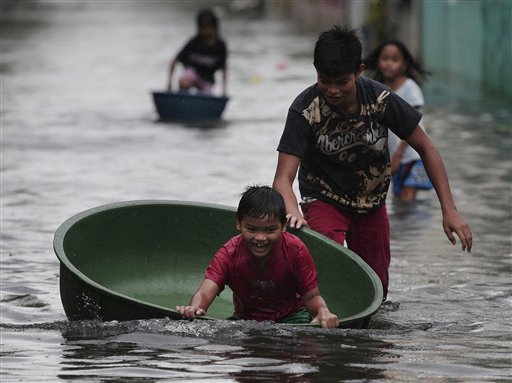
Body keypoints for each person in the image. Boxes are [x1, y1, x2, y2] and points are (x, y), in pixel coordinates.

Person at [272, 25, 472, 300]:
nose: (332, 89)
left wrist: (449, 209)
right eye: (324, 79)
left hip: (372, 203)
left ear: (359, 71)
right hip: (323, 199)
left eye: (341, 81)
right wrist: (292, 209)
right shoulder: (305, 109)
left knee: (376, 289)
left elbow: (426, 147)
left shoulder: (381, 100)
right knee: (325, 273)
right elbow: (283, 178)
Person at [176, 185, 339, 329]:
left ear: (283, 226)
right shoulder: (229, 253)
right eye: (252, 229)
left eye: (269, 230)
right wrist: (194, 308)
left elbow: (312, 296)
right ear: (239, 224)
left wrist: (323, 311)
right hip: (245, 320)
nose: (260, 238)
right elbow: (205, 292)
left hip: (292, 318)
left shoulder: (295, 250)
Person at [364, 39, 432, 201]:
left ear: (404, 64)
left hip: (413, 155)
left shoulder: (410, 88)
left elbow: (412, 126)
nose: (389, 64)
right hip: (394, 157)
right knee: (399, 199)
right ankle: (405, 227)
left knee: (408, 199)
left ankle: (413, 227)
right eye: (385, 58)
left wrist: (397, 156)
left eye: (395, 59)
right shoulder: (377, 88)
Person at [168, 8, 228, 96]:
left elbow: (224, 70)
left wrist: (224, 91)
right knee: (185, 80)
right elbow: (174, 61)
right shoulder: (193, 42)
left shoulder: (220, 46)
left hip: (207, 80)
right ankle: (183, 100)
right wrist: (169, 85)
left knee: (206, 97)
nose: (205, 31)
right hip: (192, 74)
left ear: (214, 27)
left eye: (207, 27)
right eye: (202, 27)